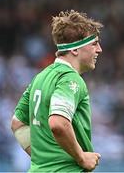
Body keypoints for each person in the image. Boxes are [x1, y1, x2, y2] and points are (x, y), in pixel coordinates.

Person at [11, 10, 103, 172]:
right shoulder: (71, 79)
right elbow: (58, 123)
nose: (99, 50)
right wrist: (81, 157)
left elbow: (17, 123)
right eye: (94, 44)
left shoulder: (40, 77)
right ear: (75, 50)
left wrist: (44, 159)